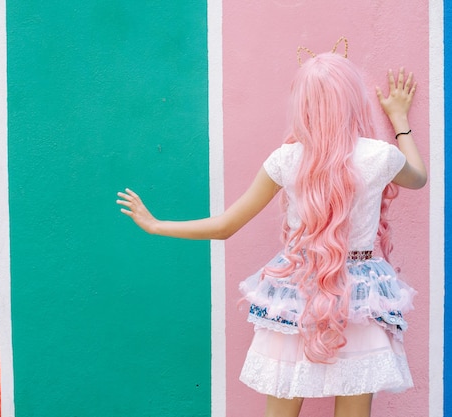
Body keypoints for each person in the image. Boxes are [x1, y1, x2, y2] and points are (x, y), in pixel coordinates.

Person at [117, 50, 427, 417]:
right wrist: (398, 118)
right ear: (351, 100)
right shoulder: (380, 156)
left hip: (296, 293)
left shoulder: (286, 159)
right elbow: (419, 179)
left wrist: (158, 225)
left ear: (304, 105)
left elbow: (226, 225)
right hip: (361, 297)